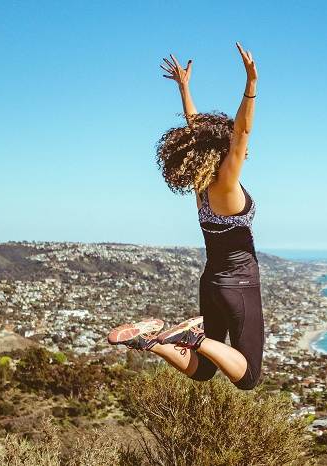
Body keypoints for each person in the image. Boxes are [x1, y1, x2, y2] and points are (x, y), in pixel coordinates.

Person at [107, 43, 263, 390]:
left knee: (205, 370)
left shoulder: (202, 185)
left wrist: (184, 89)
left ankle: (156, 341)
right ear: (224, 150)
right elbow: (243, 132)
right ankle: (192, 337)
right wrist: (251, 85)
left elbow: (197, 134)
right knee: (249, 377)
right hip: (238, 284)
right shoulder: (225, 185)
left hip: (211, 283)